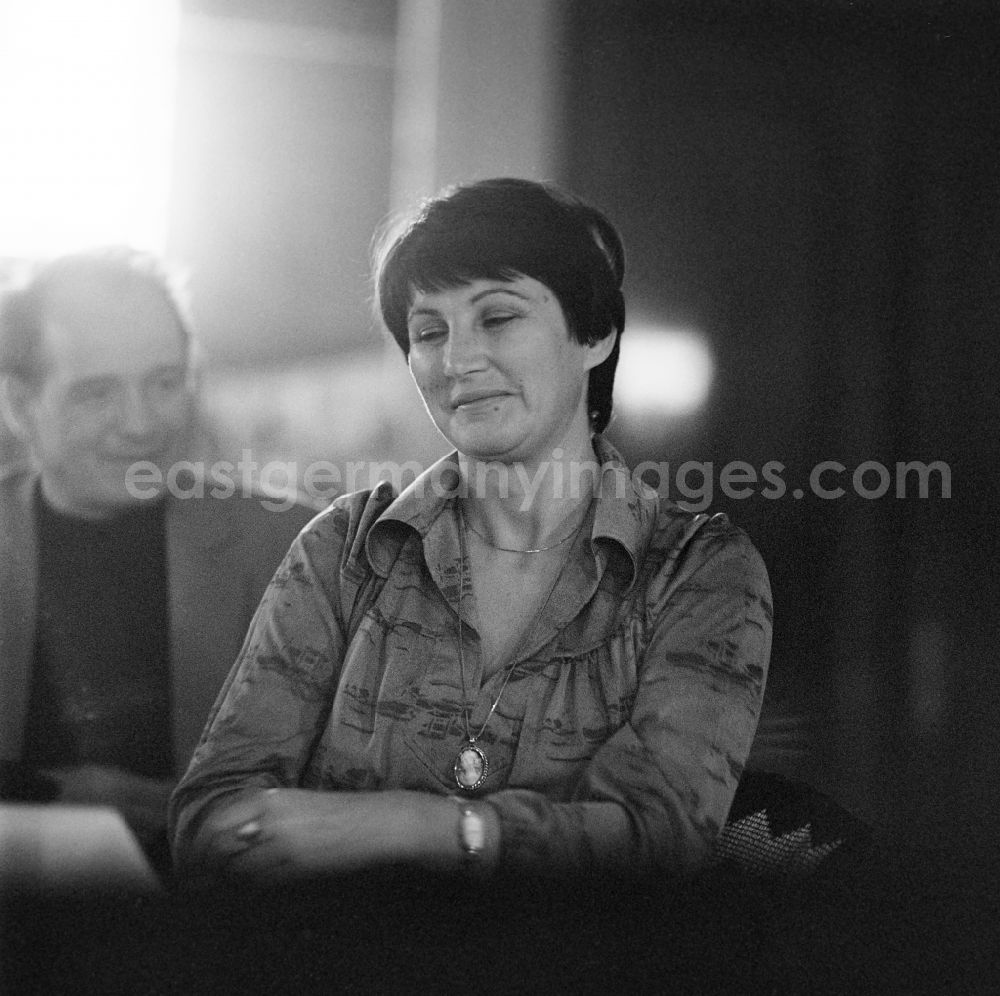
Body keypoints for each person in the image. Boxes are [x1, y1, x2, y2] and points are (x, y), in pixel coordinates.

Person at [169, 178, 772, 883]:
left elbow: (660, 841)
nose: (457, 361)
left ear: (595, 334)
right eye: (430, 332)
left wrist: (415, 827)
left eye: (498, 318)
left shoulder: (696, 571)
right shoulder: (346, 550)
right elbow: (209, 815)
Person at [0, 247, 318, 869]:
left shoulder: (294, 545)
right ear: (18, 404)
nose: (142, 423)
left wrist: (142, 805)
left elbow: (345, 780)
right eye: (97, 393)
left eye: (165, 382)